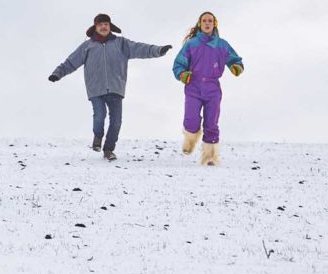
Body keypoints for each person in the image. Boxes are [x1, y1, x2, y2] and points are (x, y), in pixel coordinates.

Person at [49, 13, 171, 162]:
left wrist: (159, 50)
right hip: (95, 89)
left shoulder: (121, 43)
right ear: (95, 27)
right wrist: (58, 74)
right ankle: (98, 135)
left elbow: (140, 48)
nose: (103, 26)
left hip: (115, 88)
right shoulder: (87, 46)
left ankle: (108, 150)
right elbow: (71, 62)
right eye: (100, 24)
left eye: (106, 24)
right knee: (99, 115)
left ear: (110, 26)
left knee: (116, 121)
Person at [172, 11, 244, 166]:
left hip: (213, 87)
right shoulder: (192, 44)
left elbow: (234, 59)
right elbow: (179, 64)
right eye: (204, 20)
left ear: (214, 24)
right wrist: (182, 74)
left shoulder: (222, 45)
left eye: (210, 21)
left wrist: (236, 66)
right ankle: (190, 141)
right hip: (193, 86)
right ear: (200, 24)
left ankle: (210, 157)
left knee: (212, 123)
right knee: (191, 120)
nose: (207, 23)